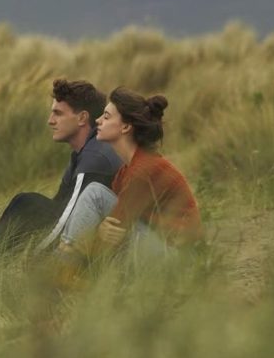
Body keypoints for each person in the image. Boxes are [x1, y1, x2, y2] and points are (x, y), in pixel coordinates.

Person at [0, 79, 122, 282]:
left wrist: (37, 262)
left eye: (58, 113)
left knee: (27, 204)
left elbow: (69, 221)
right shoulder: (84, 153)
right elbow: (59, 206)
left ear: (82, 118)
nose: (50, 120)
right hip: (91, 245)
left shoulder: (95, 156)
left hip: (107, 254)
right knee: (31, 207)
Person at [54, 87, 204, 281]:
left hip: (181, 261)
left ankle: (63, 267)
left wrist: (97, 235)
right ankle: (66, 268)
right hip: (158, 250)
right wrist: (100, 232)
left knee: (95, 194)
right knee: (98, 202)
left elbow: (114, 232)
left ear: (125, 127)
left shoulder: (144, 170)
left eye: (106, 117)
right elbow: (110, 231)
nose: (98, 120)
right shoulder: (125, 171)